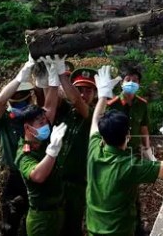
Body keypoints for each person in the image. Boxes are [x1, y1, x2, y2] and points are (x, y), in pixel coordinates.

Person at [86, 66, 163, 236]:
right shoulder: (129, 167)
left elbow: (95, 121)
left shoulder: (94, 151)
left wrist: (102, 95)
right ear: (128, 135)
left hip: (94, 229)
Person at [15, 56, 68, 236]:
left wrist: (53, 76)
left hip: (58, 210)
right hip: (41, 219)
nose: (46, 125)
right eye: (40, 122)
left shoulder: (41, 137)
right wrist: (53, 151)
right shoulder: (24, 154)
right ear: (27, 128)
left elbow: (50, 108)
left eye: (45, 122)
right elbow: (37, 176)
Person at [0, 56, 35, 236]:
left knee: (30, 225)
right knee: (9, 223)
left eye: (23, 101)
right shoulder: (4, 122)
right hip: (13, 176)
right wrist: (20, 78)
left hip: (33, 173)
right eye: (15, 101)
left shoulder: (34, 118)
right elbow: (0, 103)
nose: (19, 105)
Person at [53, 63, 97, 235]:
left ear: (95, 94)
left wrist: (61, 75)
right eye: (79, 89)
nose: (83, 94)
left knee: (72, 227)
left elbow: (77, 101)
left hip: (76, 185)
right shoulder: (64, 111)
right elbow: (51, 97)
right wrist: (51, 75)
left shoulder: (92, 115)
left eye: (88, 90)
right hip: (54, 181)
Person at [106, 67, 154, 159]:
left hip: (135, 151)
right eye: (128, 80)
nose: (131, 83)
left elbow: (144, 128)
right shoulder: (112, 105)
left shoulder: (142, 105)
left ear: (139, 84)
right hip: (116, 152)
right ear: (121, 83)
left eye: (135, 81)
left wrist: (147, 150)